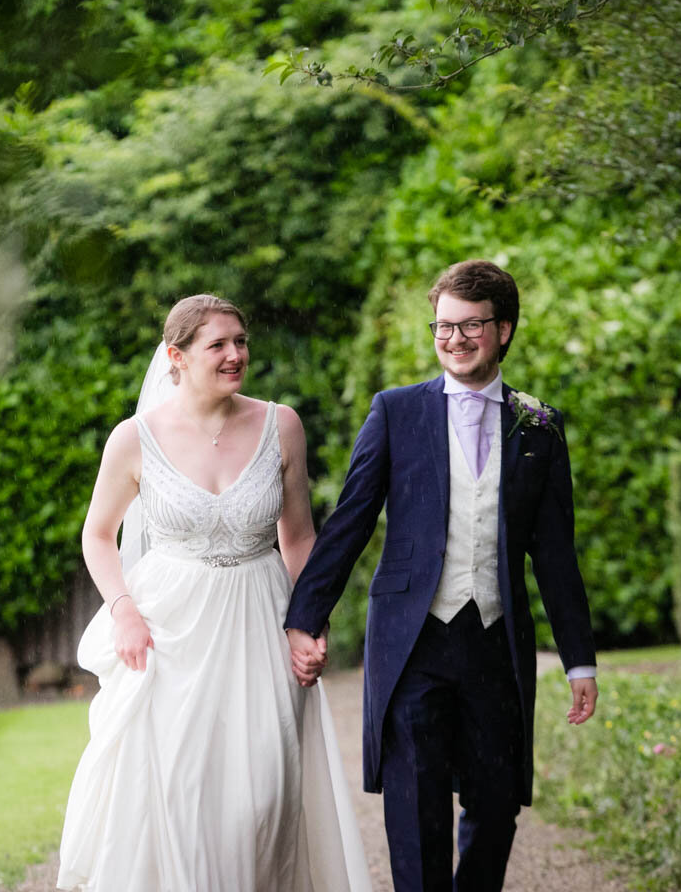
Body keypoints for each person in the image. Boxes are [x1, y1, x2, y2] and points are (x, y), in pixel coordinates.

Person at [284, 260, 599, 892]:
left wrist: (579, 662)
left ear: (503, 329)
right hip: (412, 640)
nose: (454, 339)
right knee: (415, 801)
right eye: (443, 326)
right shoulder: (396, 412)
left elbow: (556, 555)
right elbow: (350, 520)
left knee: (495, 802)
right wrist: (305, 617)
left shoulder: (539, 425)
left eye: (470, 326)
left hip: (494, 638)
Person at [57, 294, 371, 891]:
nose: (235, 355)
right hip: (171, 633)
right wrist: (123, 612)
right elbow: (98, 535)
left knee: (265, 793)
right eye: (217, 345)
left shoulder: (281, 425)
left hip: (261, 617)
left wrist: (311, 621)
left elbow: (299, 537)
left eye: (241, 342)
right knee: (182, 794)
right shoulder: (134, 438)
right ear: (175, 356)